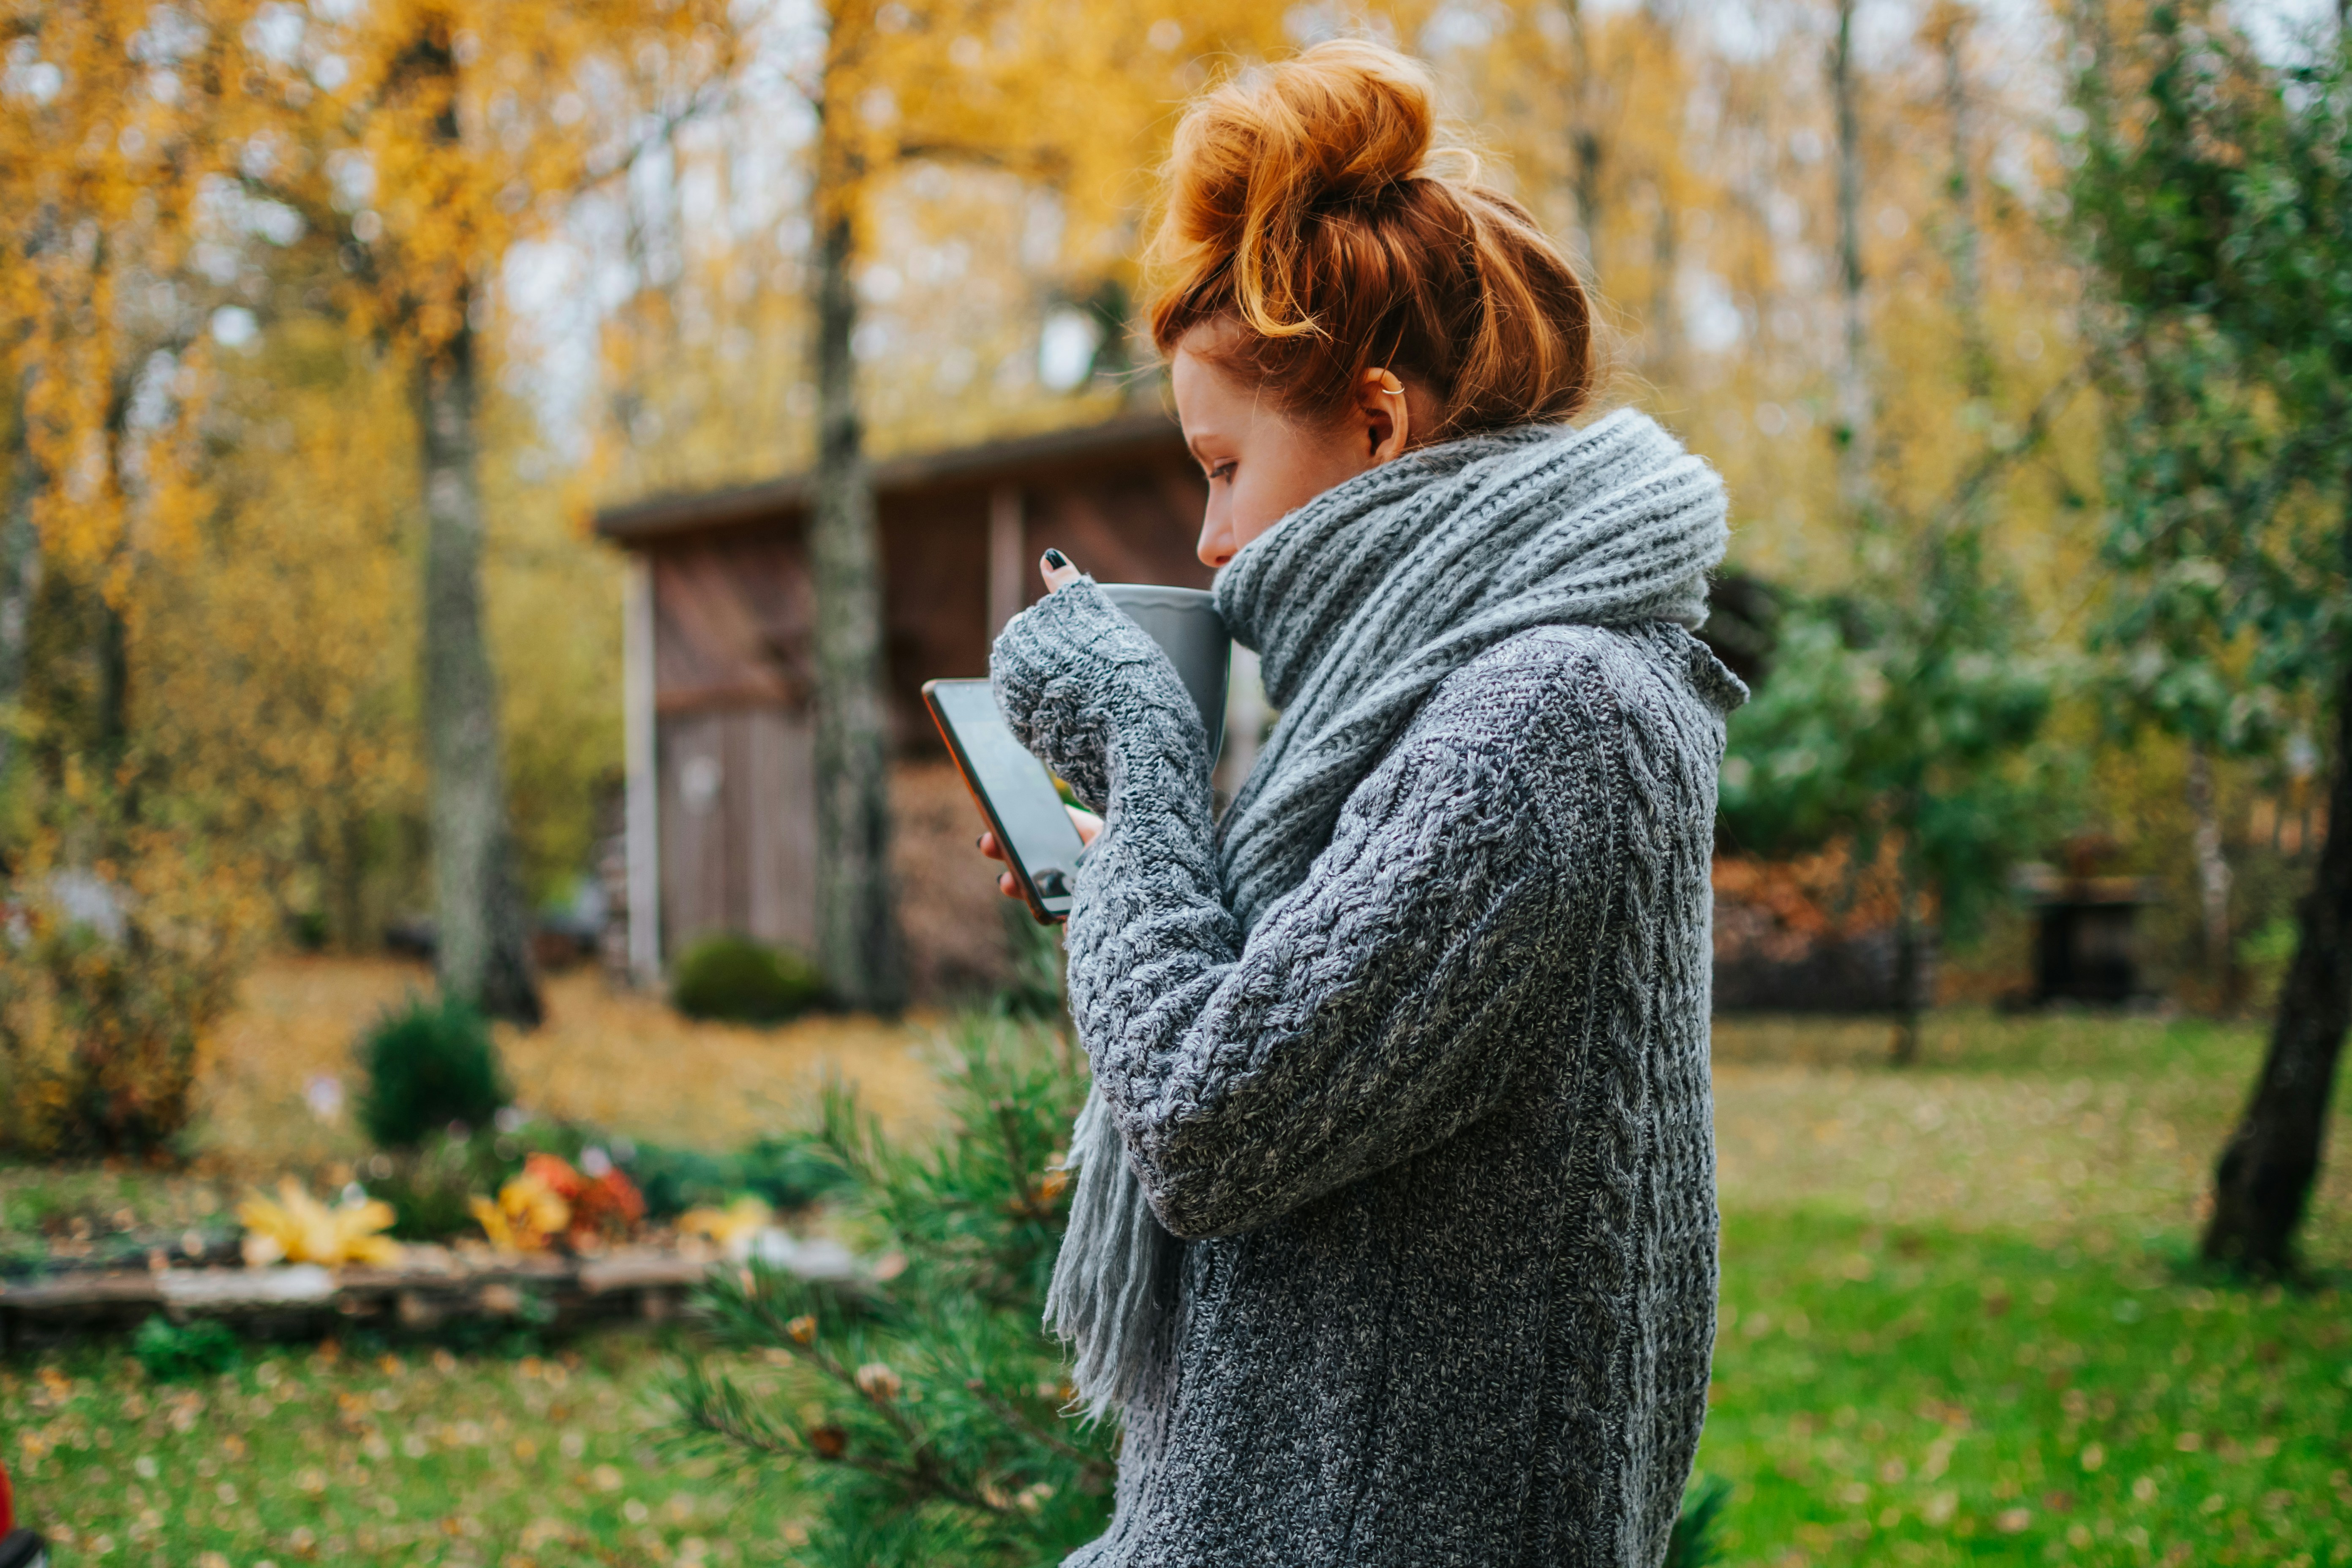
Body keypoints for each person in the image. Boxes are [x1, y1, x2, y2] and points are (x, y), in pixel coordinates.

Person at [980, 37, 1742, 1568]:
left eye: (1221, 466)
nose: (1208, 540)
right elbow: (1298, 1040)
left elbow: (1204, 1117)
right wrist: (1141, 868)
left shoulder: (1549, 715)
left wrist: (1138, 740)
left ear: (1379, 425)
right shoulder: (1440, 698)